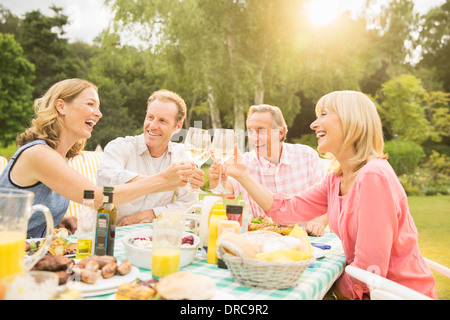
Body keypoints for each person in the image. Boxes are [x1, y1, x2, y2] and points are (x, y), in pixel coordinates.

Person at [221, 91, 437, 300]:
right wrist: (243, 176)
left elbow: (370, 269)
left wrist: (331, 290)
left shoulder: (373, 176)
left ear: (351, 121)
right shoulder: (336, 179)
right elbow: (288, 210)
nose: (313, 124)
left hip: (395, 293)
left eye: (323, 115)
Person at [0, 79, 199, 238]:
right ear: (61, 106)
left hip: (29, 252)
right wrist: (163, 180)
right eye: (90, 104)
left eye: (99, 106)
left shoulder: (60, 158)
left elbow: (22, 213)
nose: (99, 113)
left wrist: (55, 221)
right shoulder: (39, 154)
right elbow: (96, 198)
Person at [209, 104, 328, 236]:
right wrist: (216, 180)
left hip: (305, 238)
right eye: (250, 131)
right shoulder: (245, 162)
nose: (255, 138)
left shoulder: (307, 156)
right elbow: (224, 191)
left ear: (281, 132)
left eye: (261, 130)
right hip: (262, 239)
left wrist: (318, 223)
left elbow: (327, 200)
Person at [96, 89, 204, 226]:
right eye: (150, 117)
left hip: (153, 237)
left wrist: (153, 214)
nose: (152, 126)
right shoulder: (119, 147)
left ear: (178, 126)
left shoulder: (183, 154)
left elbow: (189, 204)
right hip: (111, 233)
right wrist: (165, 180)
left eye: (162, 121)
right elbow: (106, 185)